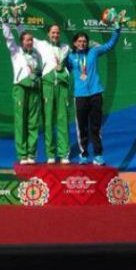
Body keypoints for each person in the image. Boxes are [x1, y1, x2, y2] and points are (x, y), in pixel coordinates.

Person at [63, 24, 120, 166]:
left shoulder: (94, 52)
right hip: (80, 95)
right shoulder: (70, 56)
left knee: (95, 126)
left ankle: (98, 155)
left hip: (95, 93)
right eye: (79, 41)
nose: (82, 43)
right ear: (75, 43)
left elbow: (110, 45)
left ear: (87, 42)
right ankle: (83, 154)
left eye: (84, 41)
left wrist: (117, 30)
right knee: (81, 127)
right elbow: (64, 69)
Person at [18, 22, 73, 164]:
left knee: (63, 120)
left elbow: (78, 55)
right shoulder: (41, 44)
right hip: (47, 85)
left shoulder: (65, 48)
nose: (55, 35)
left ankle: (64, 154)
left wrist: (93, 45)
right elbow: (24, 34)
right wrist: (18, 22)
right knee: (48, 120)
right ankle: (51, 154)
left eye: (57, 32)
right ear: (48, 33)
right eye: (53, 32)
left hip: (62, 86)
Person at [2, 17, 43, 164]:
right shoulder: (16, 52)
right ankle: (22, 155)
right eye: (26, 40)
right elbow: (9, 37)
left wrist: (19, 23)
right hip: (20, 88)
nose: (29, 42)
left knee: (33, 123)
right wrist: (6, 21)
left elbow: (39, 71)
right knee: (21, 123)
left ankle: (32, 154)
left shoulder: (36, 55)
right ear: (21, 42)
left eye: (31, 40)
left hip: (34, 89)